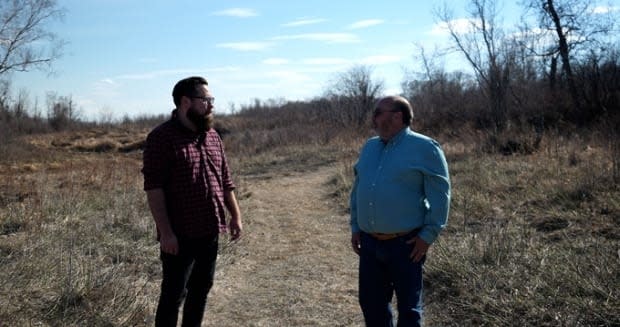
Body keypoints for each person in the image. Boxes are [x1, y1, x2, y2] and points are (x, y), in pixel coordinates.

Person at [142, 76, 242, 327]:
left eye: (212, 100)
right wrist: (166, 233)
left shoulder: (212, 136)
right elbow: (154, 189)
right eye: (206, 100)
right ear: (185, 102)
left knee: (201, 291)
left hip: (210, 230)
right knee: (173, 295)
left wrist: (236, 216)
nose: (211, 106)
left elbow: (225, 180)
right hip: (179, 235)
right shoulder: (161, 138)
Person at [350, 95, 451, 326]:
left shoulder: (425, 148)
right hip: (369, 244)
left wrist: (427, 236)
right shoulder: (370, 146)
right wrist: (356, 226)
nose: (373, 118)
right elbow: (358, 189)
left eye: (378, 112)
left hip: (406, 245)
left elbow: (440, 197)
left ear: (397, 116)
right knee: (372, 307)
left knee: (409, 311)